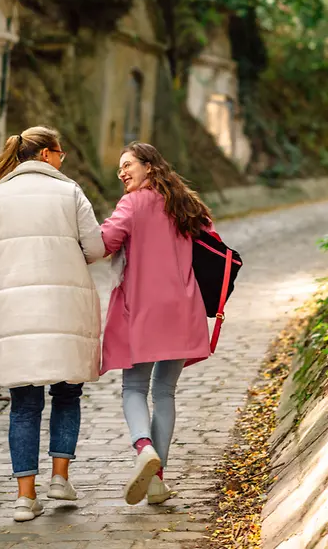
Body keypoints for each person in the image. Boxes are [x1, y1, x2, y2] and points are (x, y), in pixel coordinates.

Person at [0, 126, 104, 522]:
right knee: (67, 393)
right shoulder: (71, 192)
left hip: (15, 312)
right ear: (45, 155)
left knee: (24, 405)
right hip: (64, 308)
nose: (63, 160)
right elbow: (95, 247)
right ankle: (60, 478)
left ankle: (25, 498)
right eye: (60, 152)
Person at [100, 142, 214, 505]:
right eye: (119, 167)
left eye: (128, 164)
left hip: (144, 310)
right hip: (182, 308)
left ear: (149, 166)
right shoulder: (186, 205)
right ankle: (157, 482)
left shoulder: (132, 204)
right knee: (164, 393)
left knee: (133, 388)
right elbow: (211, 244)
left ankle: (143, 447)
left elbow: (104, 242)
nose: (121, 172)